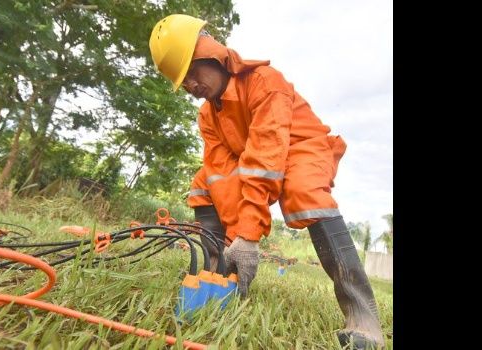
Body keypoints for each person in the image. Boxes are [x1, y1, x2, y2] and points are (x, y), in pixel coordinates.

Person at [148, 14, 384, 349]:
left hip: (301, 148)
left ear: (210, 52)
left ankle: (363, 315)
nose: (189, 85)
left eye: (190, 72)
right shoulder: (207, 116)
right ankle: (219, 280)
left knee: (305, 193)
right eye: (182, 81)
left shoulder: (264, 81)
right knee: (204, 183)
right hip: (258, 160)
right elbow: (222, 178)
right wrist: (238, 241)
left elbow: (266, 157)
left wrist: (250, 234)